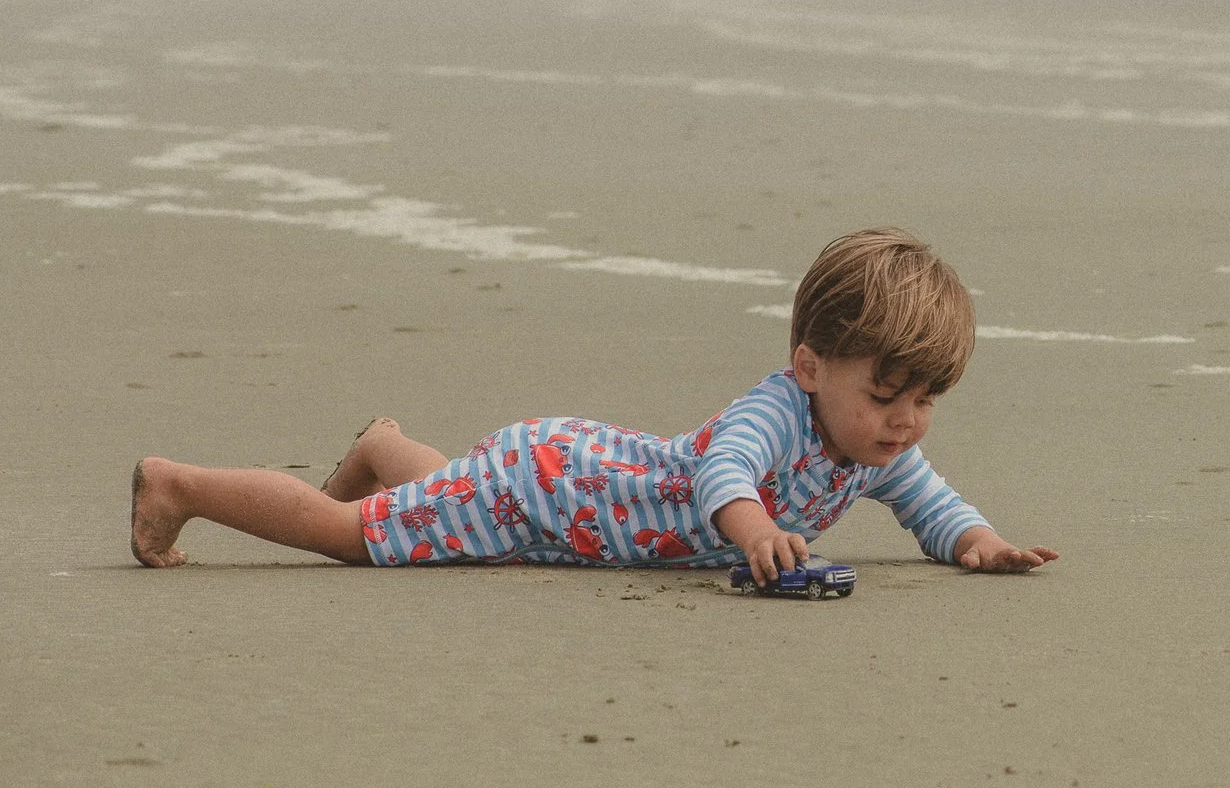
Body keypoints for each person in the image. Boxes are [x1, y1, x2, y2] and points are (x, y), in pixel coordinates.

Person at [129, 228, 1057, 577]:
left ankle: (385, 444)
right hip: (546, 488)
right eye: (888, 395)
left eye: (925, 400)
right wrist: (756, 535)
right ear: (810, 366)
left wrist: (980, 543)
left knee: (444, 495)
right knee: (353, 537)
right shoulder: (774, 413)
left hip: (553, 488)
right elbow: (721, 476)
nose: (906, 421)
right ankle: (180, 486)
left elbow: (933, 503)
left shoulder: (878, 448)